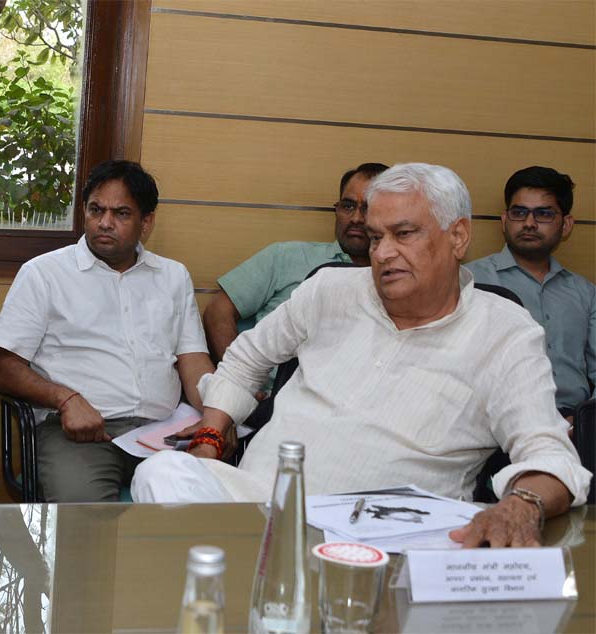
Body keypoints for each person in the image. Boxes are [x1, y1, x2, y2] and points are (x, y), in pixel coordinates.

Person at [133, 163, 591, 548]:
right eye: (375, 238)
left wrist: (522, 505)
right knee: (162, 472)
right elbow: (245, 358)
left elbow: (549, 453)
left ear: (458, 236)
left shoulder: (505, 332)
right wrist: (213, 432)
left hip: (392, 531)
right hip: (257, 502)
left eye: (403, 234)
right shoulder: (330, 289)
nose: (383, 253)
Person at [0, 160, 214, 502]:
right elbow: (4, 370)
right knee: (86, 524)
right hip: (80, 436)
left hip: (164, 432)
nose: (105, 223)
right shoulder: (44, 274)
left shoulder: (173, 276)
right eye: (96, 210)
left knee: (197, 510)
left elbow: (193, 363)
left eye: (121, 213)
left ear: (146, 222)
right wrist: (66, 399)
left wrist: (217, 416)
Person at [203, 163, 388, 363]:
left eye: (367, 208)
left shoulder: (396, 280)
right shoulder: (287, 256)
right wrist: (238, 376)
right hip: (269, 381)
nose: (356, 218)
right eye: (348, 206)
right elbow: (218, 312)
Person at [466, 166, 594, 416]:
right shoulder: (469, 280)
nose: (529, 223)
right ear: (505, 220)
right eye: (519, 212)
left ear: (566, 225)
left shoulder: (586, 293)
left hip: (575, 422)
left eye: (543, 214)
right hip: (495, 421)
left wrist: (584, 419)